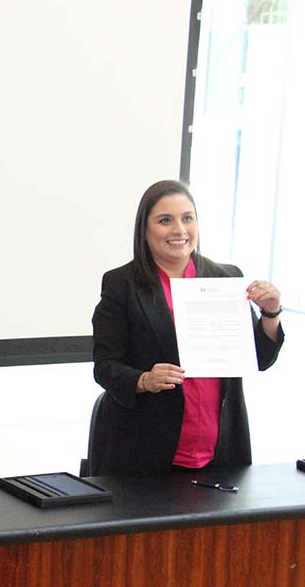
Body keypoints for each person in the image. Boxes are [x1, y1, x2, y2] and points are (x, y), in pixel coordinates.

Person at [91, 180, 284, 476]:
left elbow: (259, 359)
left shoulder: (226, 278)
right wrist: (144, 379)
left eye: (187, 218)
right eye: (165, 220)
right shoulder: (122, 284)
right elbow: (105, 367)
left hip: (220, 449)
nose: (179, 230)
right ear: (145, 229)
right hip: (146, 452)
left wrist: (271, 313)